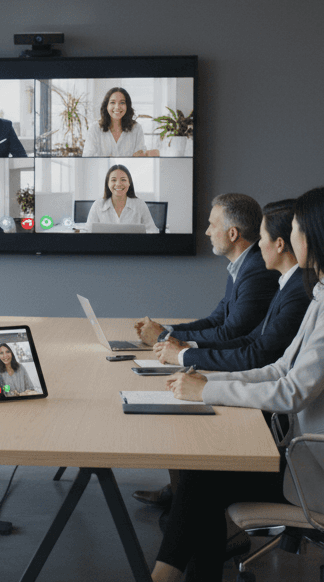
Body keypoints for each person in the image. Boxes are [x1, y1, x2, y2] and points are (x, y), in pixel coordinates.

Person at [91, 186, 324, 582]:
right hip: (323, 451)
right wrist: (203, 378)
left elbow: (294, 390)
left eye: (294, 229)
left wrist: (209, 388)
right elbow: (279, 369)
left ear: (315, 236)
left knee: (205, 474)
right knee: (205, 470)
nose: (282, 238)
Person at [133, 199, 310, 511]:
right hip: (267, 389)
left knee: (197, 457)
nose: (205, 231)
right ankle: (183, 498)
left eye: (212, 224)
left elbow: (245, 345)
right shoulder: (271, 277)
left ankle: (186, 502)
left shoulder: (262, 272)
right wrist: (172, 338)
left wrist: (181, 352)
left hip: (276, 412)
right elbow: (225, 325)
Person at [135, 193, 277, 345]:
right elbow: (216, 321)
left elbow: (229, 334)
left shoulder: (257, 271)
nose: (207, 232)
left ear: (233, 234)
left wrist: (163, 337)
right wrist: (165, 330)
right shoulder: (243, 265)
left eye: (212, 225)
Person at [84, 164, 161, 233]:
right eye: (113, 180)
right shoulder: (98, 205)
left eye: (123, 180)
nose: (118, 184)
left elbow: (152, 231)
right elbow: (87, 232)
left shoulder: (140, 205)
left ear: (129, 183)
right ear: (108, 183)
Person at [83, 87, 159, 157]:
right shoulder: (95, 128)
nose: (117, 107)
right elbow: (87, 156)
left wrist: (145, 154)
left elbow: (140, 155)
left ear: (127, 106)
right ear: (106, 106)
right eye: (112, 102)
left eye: (122, 103)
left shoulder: (136, 128)